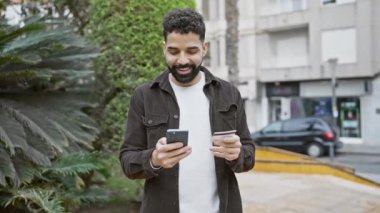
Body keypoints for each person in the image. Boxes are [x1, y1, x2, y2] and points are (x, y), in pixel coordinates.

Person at [119, 8, 255, 213]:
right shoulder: (144, 96)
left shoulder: (229, 94)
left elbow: (249, 155)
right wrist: (154, 159)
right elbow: (127, 161)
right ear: (164, 48)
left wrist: (238, 154)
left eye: (191, 51)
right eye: (174, 51)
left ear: (204, 48)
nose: (182, 60)